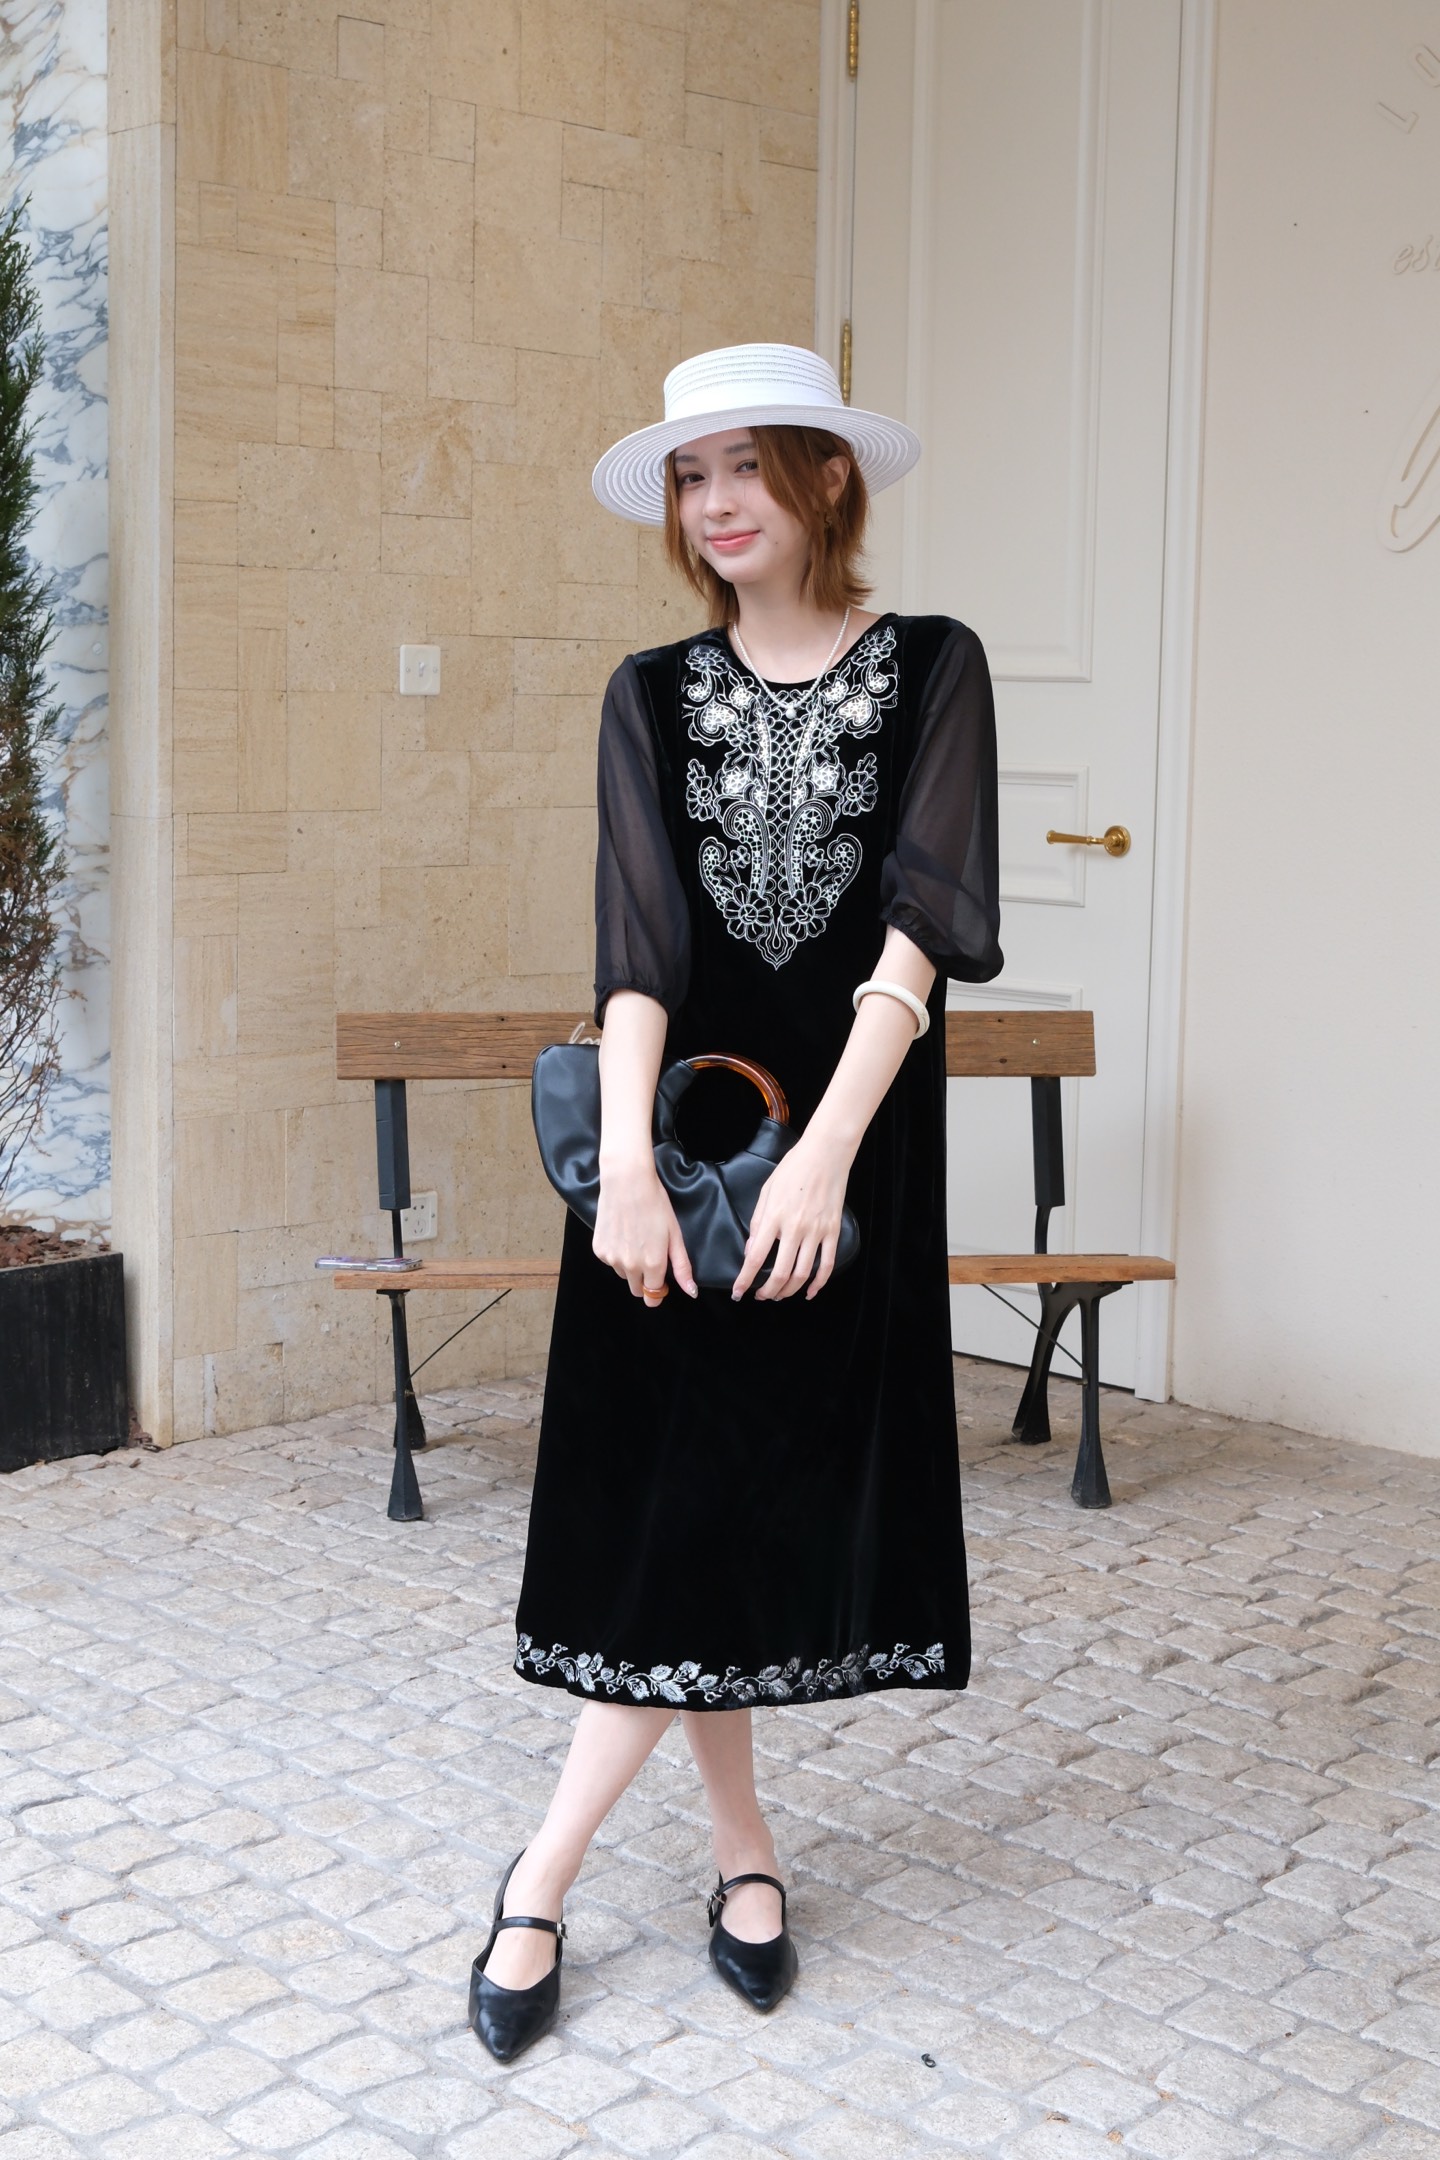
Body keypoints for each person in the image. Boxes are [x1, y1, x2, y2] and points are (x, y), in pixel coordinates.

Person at [468, 344, 1003, 2062]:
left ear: (828, 477)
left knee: (733, 1502)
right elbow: (637, 953)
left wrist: (832, 1156)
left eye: (745, 468)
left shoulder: (936, 667)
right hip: (674, 1158)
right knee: (681, 1506)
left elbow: (923, 929)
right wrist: (623, 1171)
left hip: (843, 1149)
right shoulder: (647, 693)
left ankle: (568, 1872)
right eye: (690, 478)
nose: (713, 505)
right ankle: (694, 1856)